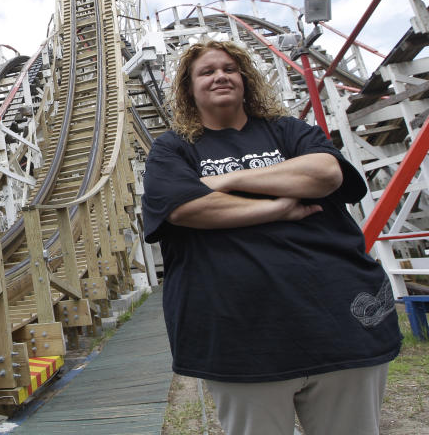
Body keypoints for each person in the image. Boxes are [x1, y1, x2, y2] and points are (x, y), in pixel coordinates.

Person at [141, 39, 401, 435]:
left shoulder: (289, 130)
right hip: (239, 339)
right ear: (188, 89)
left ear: (244, 79)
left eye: (228, 68)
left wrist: (227, 180)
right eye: (206, 72)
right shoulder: (171, 149)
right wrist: (278, 207)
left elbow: (325, 175)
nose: (220, 76)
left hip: (340, 326)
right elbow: (183, 208)